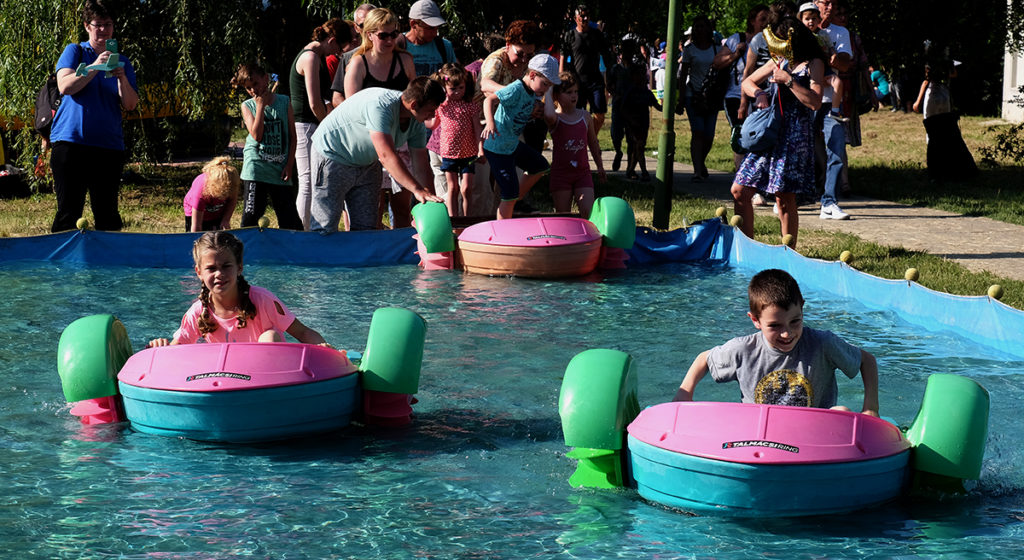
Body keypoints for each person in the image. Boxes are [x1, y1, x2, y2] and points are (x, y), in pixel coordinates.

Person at [673, 268, 880, 417]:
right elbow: (704, 359)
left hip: (814, 431)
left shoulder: (822, 344)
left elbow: (866, 360)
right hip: (759, 433)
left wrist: (870, 407)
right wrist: (684, 393)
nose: (786, 333)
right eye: (774, 326)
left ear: (802, 308)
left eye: (795, 321)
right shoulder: (743, 350)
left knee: (841, 413)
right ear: (755, 320)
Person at [730, 15, 825, 249]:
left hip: (794, 137)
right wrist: (760, 94)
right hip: (770, 134)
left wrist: (790, 81)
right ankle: (748, 248)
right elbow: (747, 82)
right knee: (739, 190)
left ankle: (787, 253)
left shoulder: (813, 63)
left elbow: (815, 102)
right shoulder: (777, 61)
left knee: (784, 198)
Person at [309, 76, 444, 232]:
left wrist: (430, 200)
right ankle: (319, 256)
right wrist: (417, 189)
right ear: (413, 104)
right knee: (324, 226)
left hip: (367, 163)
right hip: (333, 155)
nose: (433, 115)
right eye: (430, 110)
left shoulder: (417, 122)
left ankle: (359, 257)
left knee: (367, 228)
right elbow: (386, 156)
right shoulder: (381, 106)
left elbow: (421, 165)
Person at [148, 232, 328, 347]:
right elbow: (175, 351)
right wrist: (160, 347)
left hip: (268, 380)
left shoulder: (263, 300)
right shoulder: (198, 312)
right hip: (225, 384)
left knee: (270, 337)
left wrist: (325, 350)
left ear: (239, 267)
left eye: (226, 266)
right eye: (211, 268)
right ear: (199, 272)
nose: (219, 274)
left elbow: (302, 332)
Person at [49, 0, 138, 233]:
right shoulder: (75, 51)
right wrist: (94, 67)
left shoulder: (123, 61)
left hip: (108, 147)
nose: (104, 30)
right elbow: (65, 86)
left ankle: (107, 268)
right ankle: (61, 268)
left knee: (108, 215)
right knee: (68, 213)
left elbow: (130, 104)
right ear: (87, 26)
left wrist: (122, 78)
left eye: (108, 24)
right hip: (71, 144)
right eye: (98, 24)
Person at [344, 8, 417, 228]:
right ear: (369, 34)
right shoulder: (358, 63)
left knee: (403, 206)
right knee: (371, 209)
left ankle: (402, 256)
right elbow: (352, 110)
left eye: (394, 34)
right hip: (369, 142)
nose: (390, 40)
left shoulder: (405, 60)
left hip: (400, 140)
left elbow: (416, 98)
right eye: (383, 35)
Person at [290, 18, 353, 230]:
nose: (336, 54)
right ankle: (303, 230)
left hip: (310, 123)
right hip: (307, 125)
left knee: (311, 180)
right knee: (308, 181)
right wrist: (328, 127)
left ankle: (305, 228)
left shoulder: (313, 55)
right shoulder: (311, 58)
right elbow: (314, 101)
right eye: (338, 48)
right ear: (332, 40)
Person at [482, 54, 559, 220]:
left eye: (549, 86)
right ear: (532, 75)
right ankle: (503, 231)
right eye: (545, 84)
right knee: (508, 195)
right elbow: (488, 100)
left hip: (511, 145)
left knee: (540, 166)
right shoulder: (516, 89)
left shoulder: (532, 92)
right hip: (498, 148)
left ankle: (515, 199)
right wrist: (490, 123)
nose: (546, 89)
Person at [233, 62, 302, 230]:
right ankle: (245, 252)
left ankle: (293, 252)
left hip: (279, 168)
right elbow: (256, 135)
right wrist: (260, 106)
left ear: (266, 79)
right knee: (251, 216)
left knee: (290, 219)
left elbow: (293, 137)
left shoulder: (284, 102)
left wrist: (289, 164)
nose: (253, 90)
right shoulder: (247, 106)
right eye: (248, 88)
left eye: (255, 84)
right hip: (256, 167)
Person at [716, 4, 770, 171]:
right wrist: (735, 55)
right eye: (762, 20)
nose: (765, 24)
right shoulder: (737, 39)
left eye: (769, 20)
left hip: (762, 96)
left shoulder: (771, 41)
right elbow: (717, 63)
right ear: (752, 21)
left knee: (759, 136)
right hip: (735, 96)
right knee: (740, 133)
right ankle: (742, 175)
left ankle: (755, 173)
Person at [546, 71, 605, 218]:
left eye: (576, 92)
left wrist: (600, 165)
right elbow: (548, 115)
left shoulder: (585, 116)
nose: (574, 96)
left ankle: (587, 240)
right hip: (561, 175)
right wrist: (548, 91)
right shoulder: (555, 118)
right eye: (568, 92)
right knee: (563, 216)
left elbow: (593, 143)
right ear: (556, 95)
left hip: (582, 174)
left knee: (588, 213)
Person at [813, 0, 852, 220]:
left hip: (830, 100)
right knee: (801, 148)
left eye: (834, 3)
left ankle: (829, 203)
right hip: (806, 98)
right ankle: (791, 195)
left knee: (836, 149)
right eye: (825, 2)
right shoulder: (802, 30)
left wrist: (838, 59)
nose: (830, 7)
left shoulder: (840, 32)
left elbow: (846, 64)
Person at [911, 59, 978, 181]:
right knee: (946, 127)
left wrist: (917, 101)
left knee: (932, 129)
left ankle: (937, 166)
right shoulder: (946, 66)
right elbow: (954, 74)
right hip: (944, 96)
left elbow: (926, 81)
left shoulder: (931, 65)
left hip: (933, 96)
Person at [678, 15, 723, 182]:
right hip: (693, 96)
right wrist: (681, 98)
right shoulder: (689, 50)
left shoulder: (717, 48)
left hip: (710, 97)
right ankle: (697, 170)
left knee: (709, 135)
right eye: (696, 26)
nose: (699, 29)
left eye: (703, 26)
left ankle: (701, 161)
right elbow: (683, 75)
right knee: (698, 132)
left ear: (708, 29)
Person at [434, 63, 483, 217]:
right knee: (453, 188)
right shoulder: (441, 106)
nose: (457, 92)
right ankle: (453, 218)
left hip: (469, 153)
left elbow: (477, 129)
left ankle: (467, 218)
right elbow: (432, 124)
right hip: (449, 153)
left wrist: (480, 148)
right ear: (444, 87)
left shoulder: (470, 106)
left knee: (467, 188)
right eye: (453, 89)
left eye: (461, 88)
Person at [559, 5, 614, 133]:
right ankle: (582, 138)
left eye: (587, 16)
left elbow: (606, 55)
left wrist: (610, 76)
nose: (585, 18)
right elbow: (562, 58)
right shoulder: (569, 35)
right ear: (575, 18)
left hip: (595, 80)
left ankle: (591, 138)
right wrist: (561, 79)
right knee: (577, 113)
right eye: (581, 16)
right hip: (577, 82)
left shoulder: (597, 35)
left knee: (600, 113)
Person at [330, 3, 377, 107]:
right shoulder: (348, 57)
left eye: (373, 23)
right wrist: (355, 113)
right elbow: (337, 97)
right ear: (356, 28)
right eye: (363, 25)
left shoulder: (398, 56)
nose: (368, 29)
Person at [621, 64, 662, 182]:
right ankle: (644, 171)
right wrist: (630, 120)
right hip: (632, 125)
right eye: (639, 74)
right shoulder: (630, 92)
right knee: (637, 146)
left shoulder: (647, 93)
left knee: (639, 147)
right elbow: (623, 109)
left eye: (643, 74)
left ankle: (630, 170)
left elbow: (657, 106)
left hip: (643, 124)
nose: (643, 77)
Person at [183, 157, 240, 232]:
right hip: (195, 210)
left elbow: (232, 199)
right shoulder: (201, 190)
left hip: (217, 208)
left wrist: (225, 220)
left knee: (217, 236)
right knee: (200, 236)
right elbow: (196, 227)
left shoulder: (232, 182)